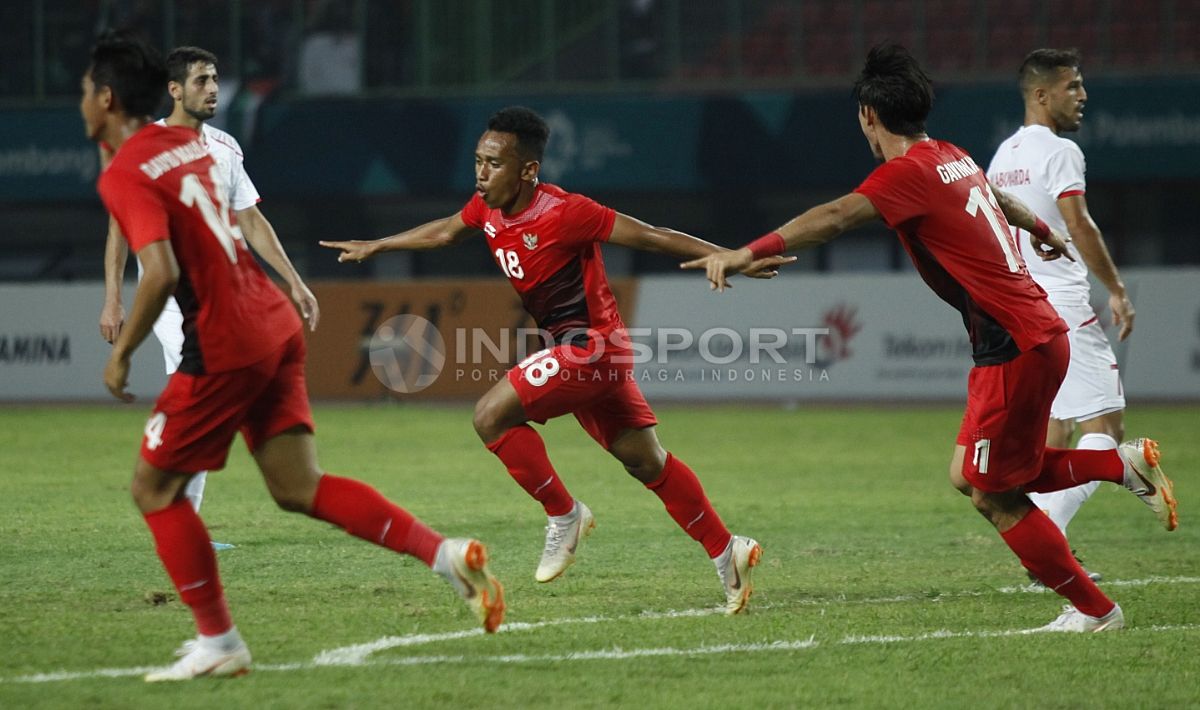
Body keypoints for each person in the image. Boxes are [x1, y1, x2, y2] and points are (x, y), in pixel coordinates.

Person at [682, 44, 1177, 632]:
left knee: (996, 493)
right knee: (968, 475)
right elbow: (1002, 201)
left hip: (1015, 345)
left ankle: (1097, 609)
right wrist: (1040, 228)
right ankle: (1118, 467)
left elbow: (837, 216)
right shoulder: (951, 155)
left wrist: (746, 251)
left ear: (869, 115)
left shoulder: (904, 176)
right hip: (1028, 335)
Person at [82, 31, 504, 682]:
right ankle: (444, 555)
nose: (81, 101)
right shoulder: (196, 148)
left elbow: (161, 271)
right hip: (268, 323)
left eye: (85, 90)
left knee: (153, 486)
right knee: (297, 487)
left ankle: (219, 640)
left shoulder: (130, 168)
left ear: (105, 98)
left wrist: (120, 355)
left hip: (222, 339)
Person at [321, 106, 791, 615]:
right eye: (478, 161)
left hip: (593, 349)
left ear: (527, 170)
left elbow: (651, 235)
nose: (481, 173)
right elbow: (445, 231)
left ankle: (564, 514)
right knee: (646, 460)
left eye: (494, 163)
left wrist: (735, 257)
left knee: (489, 415)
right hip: (583, 355)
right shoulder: (487, 209)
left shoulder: (566, 211)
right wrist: (380, 244)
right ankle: (729, 552)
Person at [99, 46, 319, 550]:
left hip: (229, 297)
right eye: (201, 80)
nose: (214, 88)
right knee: (194, 386)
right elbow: (118, 229)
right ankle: (181, 518)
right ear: (174, 90)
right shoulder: (144, 148)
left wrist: (293, 280)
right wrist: (113, 297)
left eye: (216, 78)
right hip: (178, 300)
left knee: (211, 396)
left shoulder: (225, 147)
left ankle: (180, 512)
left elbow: (251, 219)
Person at [987, 49, 1138, 578]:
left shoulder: (1002, 156)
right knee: (1107, 425)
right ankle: (1045, 540)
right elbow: (1081, 224)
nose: (1083, 96)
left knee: (1053, 428)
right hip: (1062, 307)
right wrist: (1116, 289)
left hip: (1018, 306)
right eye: (1073, 86)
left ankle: (1047, 549)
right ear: (1042, 95)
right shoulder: (1059, 151)